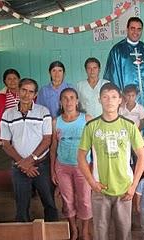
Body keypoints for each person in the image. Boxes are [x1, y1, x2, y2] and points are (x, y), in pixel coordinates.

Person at [78, 83, 144, 240]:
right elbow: (81, 157)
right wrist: (92, 182)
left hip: (124, 189)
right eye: (105, 97)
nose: (110, 101)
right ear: (99, 100)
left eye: (114, 97)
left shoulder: (129, 125)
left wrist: (133, 186)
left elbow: (142, 156)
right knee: (100, 233)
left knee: (124, 233)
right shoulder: (91, 126)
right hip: (100, 189)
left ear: (120, 100)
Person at [0, 78, 58, 222]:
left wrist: (30, 161)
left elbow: (47, 140)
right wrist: (22, 163)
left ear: (35, 94)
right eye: (24, 90)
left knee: (49, 203)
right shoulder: (8, 114)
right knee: (21, 207)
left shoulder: (43, 112)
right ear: (18, 91)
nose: (27, 94)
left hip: (41, 166)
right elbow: (5, 143)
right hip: (19, 167)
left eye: (31, 92)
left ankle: (53, 233)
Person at [50, 88, 92, 240]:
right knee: (68, 201)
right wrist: (53, 170)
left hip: (83, 167)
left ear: (77, 101)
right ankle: (74, 230)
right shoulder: (56, 122)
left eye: (72, 98)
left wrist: (94, 169)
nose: (69, 101)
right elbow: (53, 148)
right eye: (65, 98)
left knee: (85, 200)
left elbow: (93, 145)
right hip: (62, 167)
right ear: (60, 102)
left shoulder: (86, 119)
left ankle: (85, 231)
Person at [103, 17, 144, 113]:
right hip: (125, 101)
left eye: (139, 29)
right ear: (127, 29)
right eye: (133, 28)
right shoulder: (117, 51)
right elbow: (112, 78)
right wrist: (118, 97)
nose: (136, 32)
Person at [0, 69, 20, 145]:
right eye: (9, 79)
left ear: (19, 79)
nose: (12, 81)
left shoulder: (26, 93)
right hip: (8, 128)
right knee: (11, 151)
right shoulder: (0, 97)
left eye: (15, 78)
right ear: (5, 81)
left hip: (24, 126)